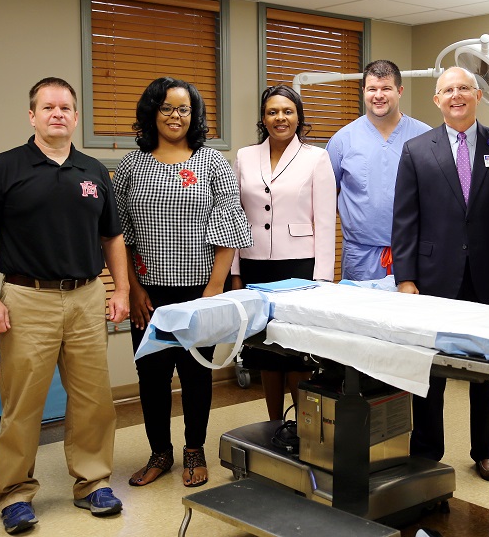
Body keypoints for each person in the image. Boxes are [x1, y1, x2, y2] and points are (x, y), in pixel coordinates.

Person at [0, 77, 130, 534]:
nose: (58, 113)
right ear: (32, 115)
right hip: (25, 298)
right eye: (48, 107)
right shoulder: (2, 168)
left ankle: (93, 482)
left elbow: (112, 236)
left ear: (76, 117)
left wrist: (119, 291)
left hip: (85, 297)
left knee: (93, 400)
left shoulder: (95, 171)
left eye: (65, 107)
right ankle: (15, 495)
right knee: (23, 404)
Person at [113, 77, 252, 489]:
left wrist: (213, 292)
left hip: (199, 292)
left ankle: (195, 450)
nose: (176, 116)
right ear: (152, 111)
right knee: (151, 376)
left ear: (195, 115)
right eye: (168, 108)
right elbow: (119, 235)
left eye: (184, 109)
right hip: (148, 295)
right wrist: (135, 290)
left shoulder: (212, 164)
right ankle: (160, 452)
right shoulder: (130, 168)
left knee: (195, 375)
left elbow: (230, 229)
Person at [392, 66, 489, 482]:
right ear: (437, 100)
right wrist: (406, 278)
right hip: (433, 277)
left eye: (464, 88)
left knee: (485, 368)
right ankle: (428, 449)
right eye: (448, 90)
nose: (456, 95)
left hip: (486, 275)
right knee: (429, 370)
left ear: (478, 95)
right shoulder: (417, 149)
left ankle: (487, 450)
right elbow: (405, 220)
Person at [230, 84, 336, 420]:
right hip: (255, 265)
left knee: (297, 353)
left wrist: (322, 279)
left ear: (298, 117)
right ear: (263, 118)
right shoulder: (245, 156)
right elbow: (235, 215)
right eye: (273, 111)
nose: (280, 118)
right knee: (265, 352)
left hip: (300, 267)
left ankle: (304, 428)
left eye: (287, 111)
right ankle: (274, 424)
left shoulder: (316, 158)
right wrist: (235, 271)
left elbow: (325, 222)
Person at [326, 60, 430, 281]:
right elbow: (328, 197)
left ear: (400, 91)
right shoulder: (342, 141)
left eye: (386, 88)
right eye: (372, 89)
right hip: (360, 256)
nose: (378, 95)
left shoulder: (426, 138)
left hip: (413, 252)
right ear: (363, 91)